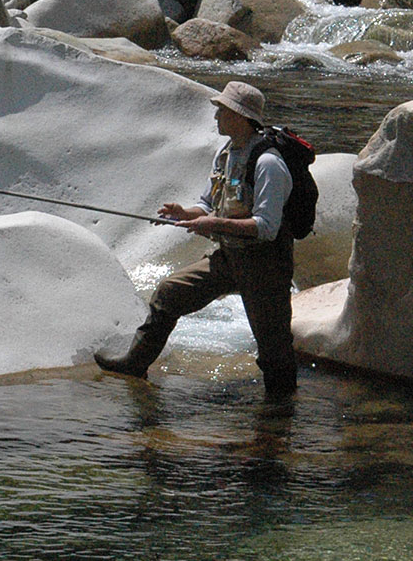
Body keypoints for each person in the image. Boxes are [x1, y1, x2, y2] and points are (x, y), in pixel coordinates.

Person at [95, 81, 298, 400]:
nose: (216, 116)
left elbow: (267, 227)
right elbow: (207, 203)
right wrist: (185, 213)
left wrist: (212, 223)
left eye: (223, 111)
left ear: (240, 116)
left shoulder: (269, 164)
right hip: (229, 257)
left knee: (274, 351)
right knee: (169, 294)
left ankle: (281, 412)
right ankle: (135, 363)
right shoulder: (227, 153)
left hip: (265, 265)